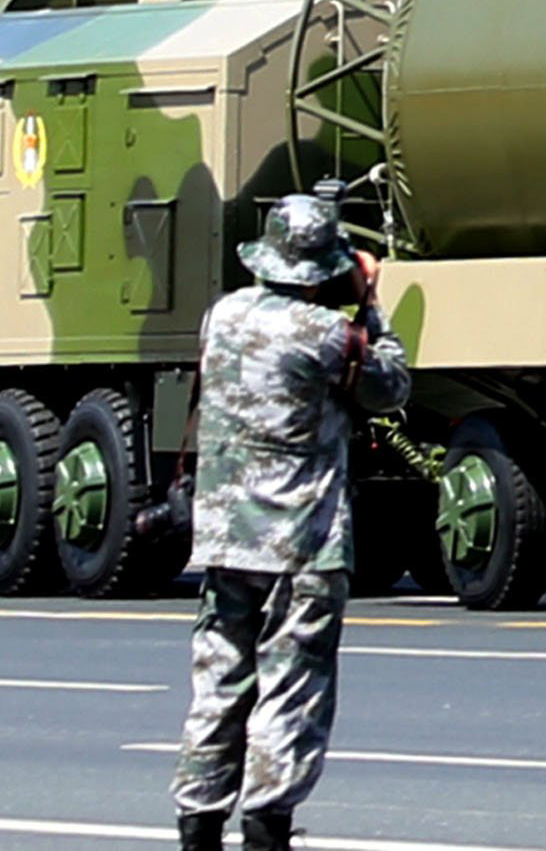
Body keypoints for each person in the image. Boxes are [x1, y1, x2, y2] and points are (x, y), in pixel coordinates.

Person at [176, 194, 410, 851]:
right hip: (302, 539)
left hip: (227, 535)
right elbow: (389, 384)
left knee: (219, 680)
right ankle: (266, 825)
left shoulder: (221, 317)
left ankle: (196, 824)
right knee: (291, 685)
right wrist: (368, 301)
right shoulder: (327, 335)